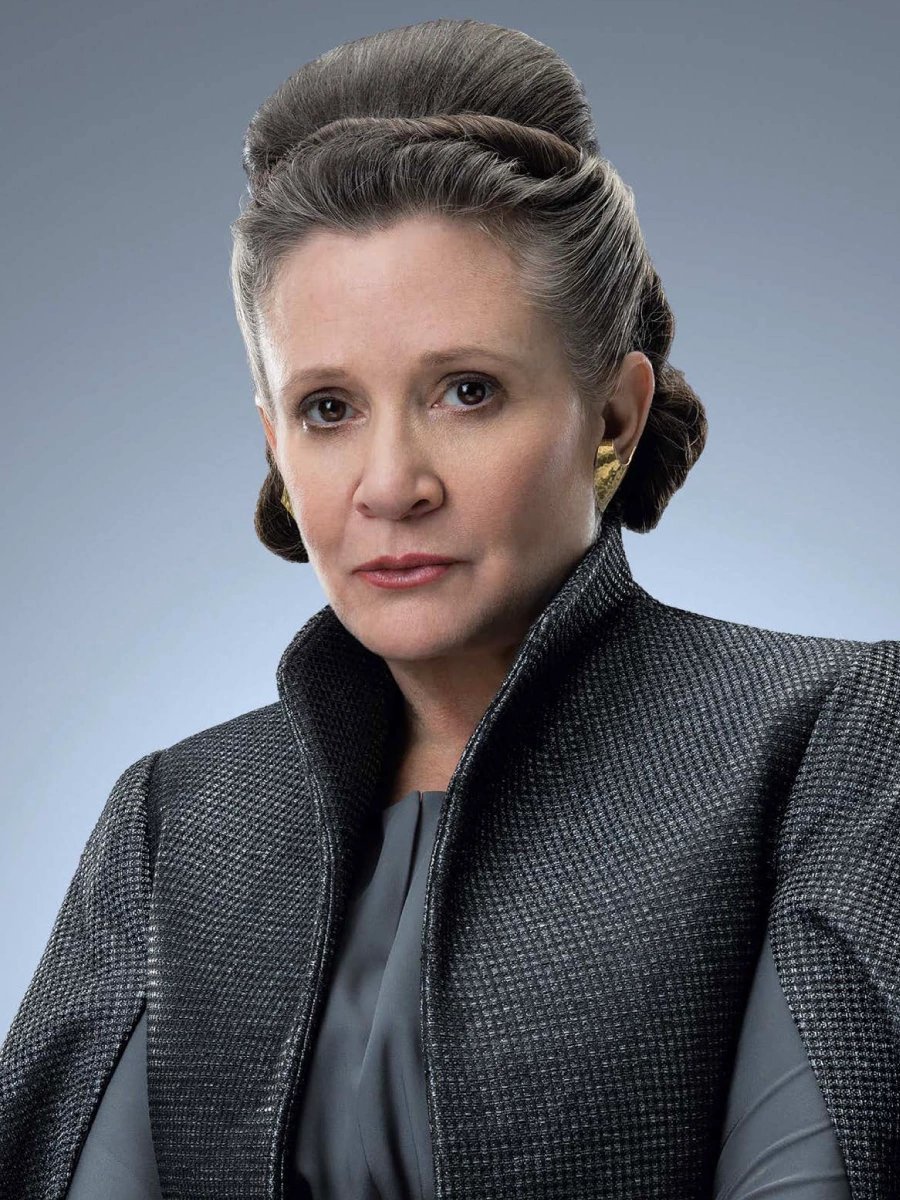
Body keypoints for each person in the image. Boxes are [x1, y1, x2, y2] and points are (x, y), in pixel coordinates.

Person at [1, 16, 898, 1200]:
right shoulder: (173, 822)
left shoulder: (830, 734)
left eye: (467, 391)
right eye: (328, 409)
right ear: (274, 444)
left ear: (613, 418)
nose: (391, 484)